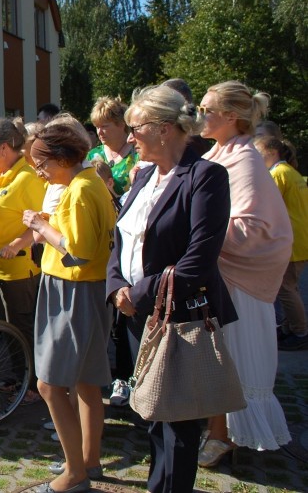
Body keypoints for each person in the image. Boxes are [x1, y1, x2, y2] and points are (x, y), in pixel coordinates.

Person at [107, 85, 237, 493]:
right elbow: (121, 239)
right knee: (149, 413)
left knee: (177, 420)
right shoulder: (144, 175)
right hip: (134, 313)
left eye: (135, 128)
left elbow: (199, 258)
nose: (129, 138)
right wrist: (116, 289)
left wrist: (138, 293)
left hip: (177, 314)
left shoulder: (206, 176)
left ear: (164, 129)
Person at [198, 81, 292, 466]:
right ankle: (218, 431)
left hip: (239, 277)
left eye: (207, 109)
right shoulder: (218, 152)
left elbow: (251, 225)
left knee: (230, 356)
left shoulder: (246, 158)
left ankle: (226, 438)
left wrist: (199, 229)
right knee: (215, 356)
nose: (199, 115)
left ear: (230, 116)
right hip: (217, 271)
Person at [22, 124, 116, 493]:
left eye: (41, 164)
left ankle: (74, 474)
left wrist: (40, 226)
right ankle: (88, 461)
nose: (38, 172)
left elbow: (78, 252)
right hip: (88, 290)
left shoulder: (78, 190)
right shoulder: (90, 181)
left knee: (49, 384)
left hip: (72, 290)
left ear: (62, 159)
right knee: (87, 381)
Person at [0, 118, 45, 389]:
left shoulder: (27, 177)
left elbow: (44, 222)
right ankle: (17, 374)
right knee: (6, 325)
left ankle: (31, 383)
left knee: (21, 325)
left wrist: (18, 243)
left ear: (5, 148)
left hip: (18, 267)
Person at [254, 136, 308, 350]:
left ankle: (300, 331)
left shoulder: (278, 174)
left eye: (259, 152)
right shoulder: (290, 172)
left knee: (286, 288)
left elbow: (265, 205)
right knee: (288, 286)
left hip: (291, 240)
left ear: (271, 152)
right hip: (298, 238)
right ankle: (290, 327)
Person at [87, 97, 138, 196]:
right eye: (97, 127)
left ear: (121, 124)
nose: (99, 132)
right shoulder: (91, 155)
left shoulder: (137, 154)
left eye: (104, 126)